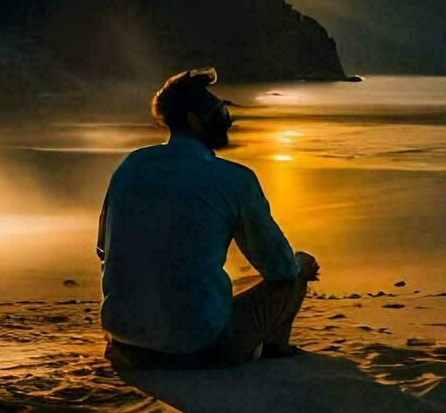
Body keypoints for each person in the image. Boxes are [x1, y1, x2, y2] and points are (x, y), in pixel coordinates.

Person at [97, 67, 319, 368]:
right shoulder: (234, 179)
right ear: (193, 120)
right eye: (217, 112)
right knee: (297, 269)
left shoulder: (130, 166)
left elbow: (103, 251)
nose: (226, 118)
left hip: (125, 340)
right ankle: (273, 351)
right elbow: (279, 268)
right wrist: (296, 267)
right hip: (199, 348)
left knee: (224, 280)